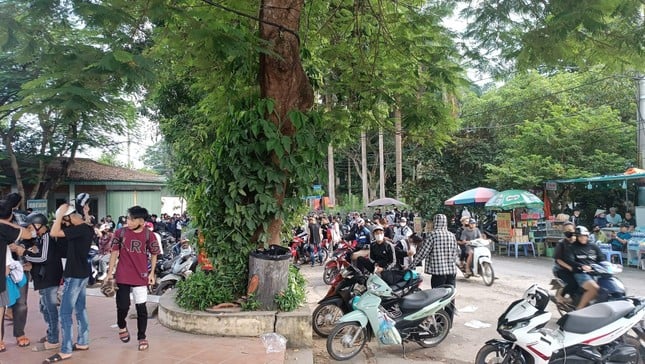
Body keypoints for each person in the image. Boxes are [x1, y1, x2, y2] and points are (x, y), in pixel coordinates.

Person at [106, 206, 160, 352]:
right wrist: (110, 273)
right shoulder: (120, 232)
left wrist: (151, 273)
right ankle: (121, 324)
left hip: (141, 275)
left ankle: (142, 336)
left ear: (141, 221)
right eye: (127, 218)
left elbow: (154, 253)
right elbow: (114, 253)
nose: (128, 221)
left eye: (131, 219)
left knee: (141, 309)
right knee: (122, 306)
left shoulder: (149, 235)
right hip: (123, 275)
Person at [46, 202, 93, 363]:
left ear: (70, 217)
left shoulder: (78, 230)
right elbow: (85, 222)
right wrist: (84, 213)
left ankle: (65, 350)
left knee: (65, 313)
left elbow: (54, 232)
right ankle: (83, 342)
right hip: (83, 274)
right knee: (80, 309)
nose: (65, 223)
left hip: (74, 276)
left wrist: (59, 215)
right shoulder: (86, 228)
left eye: (66, 220)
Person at [17, 213, 63, 352]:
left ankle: (54, 339)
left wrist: (24, 253)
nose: (29, 229)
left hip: (49, 279)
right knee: (44, 308)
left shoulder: (47, 237)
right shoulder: (40, 239)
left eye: (30, 226)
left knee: (50, 309)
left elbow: (43, 258)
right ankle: (51, 333)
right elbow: (40, 257)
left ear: (38, 225)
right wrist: (30, 262)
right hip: (44, 279)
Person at [0, 199, 35, 353]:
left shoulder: (21, 218)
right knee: (1, 306)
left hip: (19, 267)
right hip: (3, 269)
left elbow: (31, 237)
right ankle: (0, 339)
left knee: (21, 304)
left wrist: (20, 248)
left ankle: (19, 334)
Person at [411, 214, 459, 320]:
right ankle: (449, 321)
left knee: (438, 298)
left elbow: (423, 252)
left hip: (438, 274)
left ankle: (439, 320)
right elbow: (457, 252)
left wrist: (413, 263)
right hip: (451, 272)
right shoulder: (452, 235)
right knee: (449, 296)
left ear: (435, 222)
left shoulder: (432, 235)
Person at [562, 226, 606, 309]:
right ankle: (579, 309)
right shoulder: (572, 248)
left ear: (587, 236)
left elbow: (602, 259)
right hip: (581, 273)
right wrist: (581, 266)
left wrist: (611, 265)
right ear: (577, 237)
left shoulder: (593, 246)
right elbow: (569, 260)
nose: (582, 238)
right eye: (580, 236)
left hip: (595, 272)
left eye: (584, 236)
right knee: (594, 288)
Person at [552, 222, 577, 303]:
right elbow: (558, 260)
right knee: (572, 283)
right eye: (566, 231)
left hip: (575, 268)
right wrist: (569, 267)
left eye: (570, 230)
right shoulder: (561, 244)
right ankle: (560, 298)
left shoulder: (579, 242)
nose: (569, 232)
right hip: (561, 269)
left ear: (574, 230)